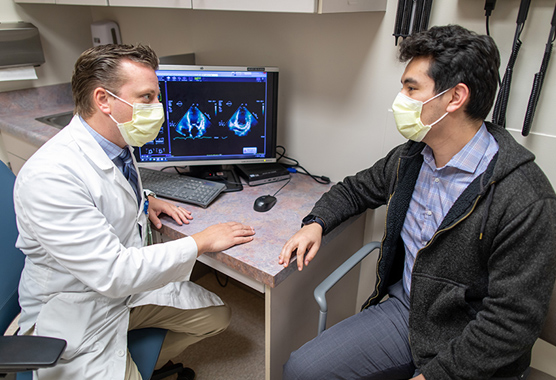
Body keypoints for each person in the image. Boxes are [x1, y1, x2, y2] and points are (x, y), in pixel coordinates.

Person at [279, 25, 556, 380]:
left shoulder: (526, 197)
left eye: (411, 88)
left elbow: (511, 324)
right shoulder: (411, 158)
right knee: (300, 371)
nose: (400, 99)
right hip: (408, 315)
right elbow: (354, 189)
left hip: (475, 342)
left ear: (455, 97)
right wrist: (315, 223)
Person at [13, 44, 255, 380]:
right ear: (104, 100)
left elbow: (106, 193)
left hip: (120, 294)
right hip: (74, 311)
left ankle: (135, 359)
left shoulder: (115, 144)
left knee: (215, 316)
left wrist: (144, 199)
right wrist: (200, 242)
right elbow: (113, 273)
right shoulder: (51, 177)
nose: (158, 109)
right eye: (146, 98)